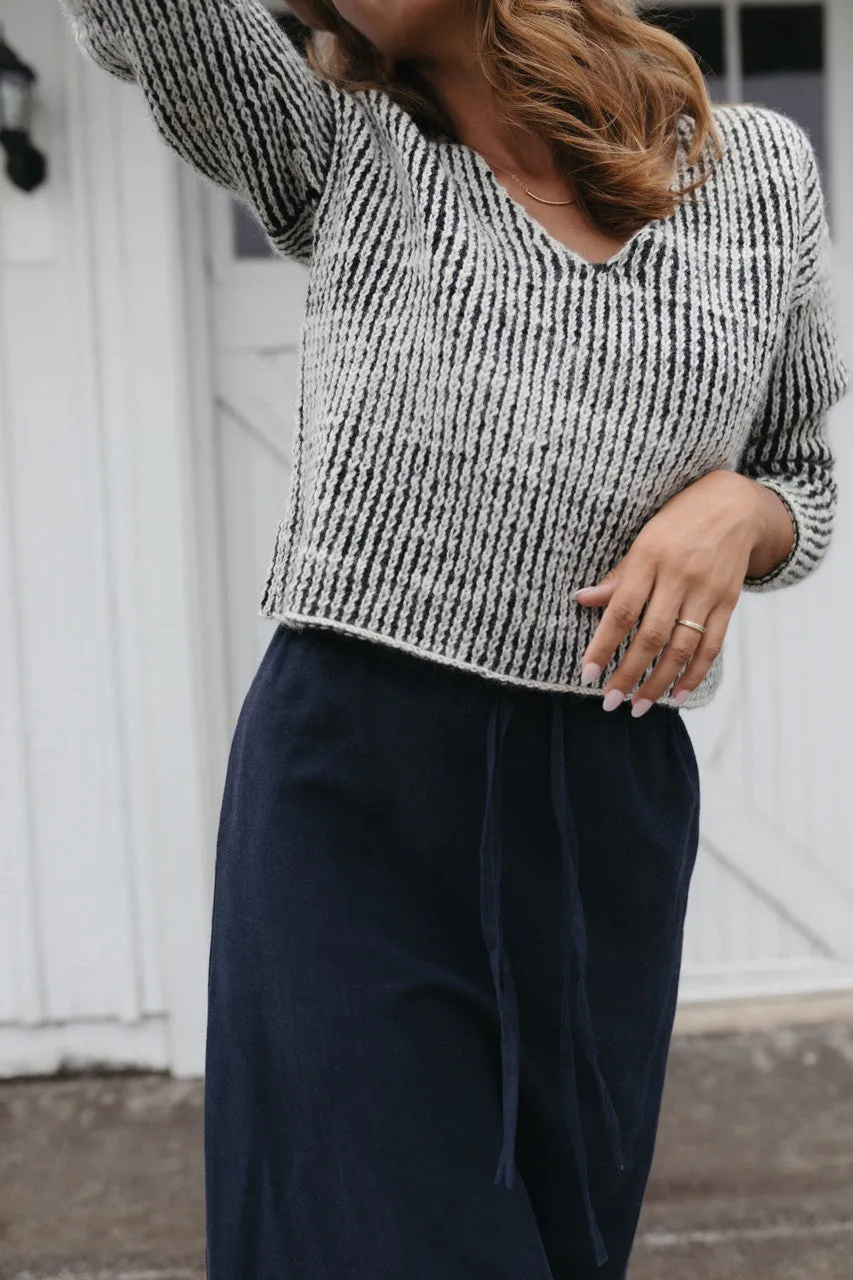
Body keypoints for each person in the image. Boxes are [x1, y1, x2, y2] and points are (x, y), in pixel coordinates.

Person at [57, 1, 850, 1276]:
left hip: (605, 814)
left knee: (558, 1241)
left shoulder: (756, 174)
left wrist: (740, 513)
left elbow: (800, 477)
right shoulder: (340, 146)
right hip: (352, 795)